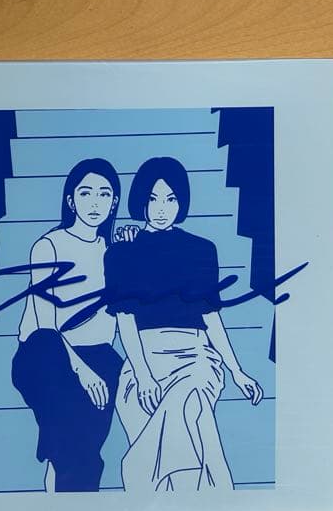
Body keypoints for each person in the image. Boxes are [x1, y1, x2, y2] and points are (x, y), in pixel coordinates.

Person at [103, 156, 263, 492]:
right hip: (142, 361)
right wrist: (143, 375)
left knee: (189, 399)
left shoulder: (201, 250)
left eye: (170, 199)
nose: (161, 208)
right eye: (153, 199)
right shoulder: (121, 253)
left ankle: (141, 474)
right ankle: (209, 497)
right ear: (141, 200)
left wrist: (236, 371)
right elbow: (124, 319)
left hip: (195, 357)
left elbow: (211, 317)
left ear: (182, 202)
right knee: (189, 424)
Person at [11, 158, 125, 492]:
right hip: (44, 355)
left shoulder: (115, 251)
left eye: (104, 194)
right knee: (71, 444)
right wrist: (82, 371)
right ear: (71, 200)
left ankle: (61, 478)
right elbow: (45, 326)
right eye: (86, 193)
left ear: (114, 202)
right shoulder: (48, 246)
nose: (95, 202)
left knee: (81, 452)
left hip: (99, 356)